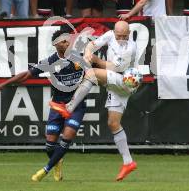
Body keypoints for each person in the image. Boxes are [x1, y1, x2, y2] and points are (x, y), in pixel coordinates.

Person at [0, 29, 85, 182]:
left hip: (76, 106)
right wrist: (2, 85)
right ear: (55, 44)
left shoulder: (80, 57)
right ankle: (57, 162)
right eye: (64, 41)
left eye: (68, 40)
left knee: (66, 139)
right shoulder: (50, 62)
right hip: (57, 106)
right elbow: (26, 75)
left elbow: (98, 66)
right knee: (50, 147)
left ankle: (45, 170)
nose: (67, 43)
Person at [50, 21, 138, 181]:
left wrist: (94, 59)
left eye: (125, 36)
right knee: (113, 123)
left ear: (130, 33)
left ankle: (68, 108)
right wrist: (88, 52)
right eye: (119, 36)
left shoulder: (130, 47)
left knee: (91, 73)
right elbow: (92, 44)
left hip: (127, 81)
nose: (122, 39)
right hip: (116, 83)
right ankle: (128, 162)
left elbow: (112, 68)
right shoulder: (110, 35)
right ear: (114, 32)